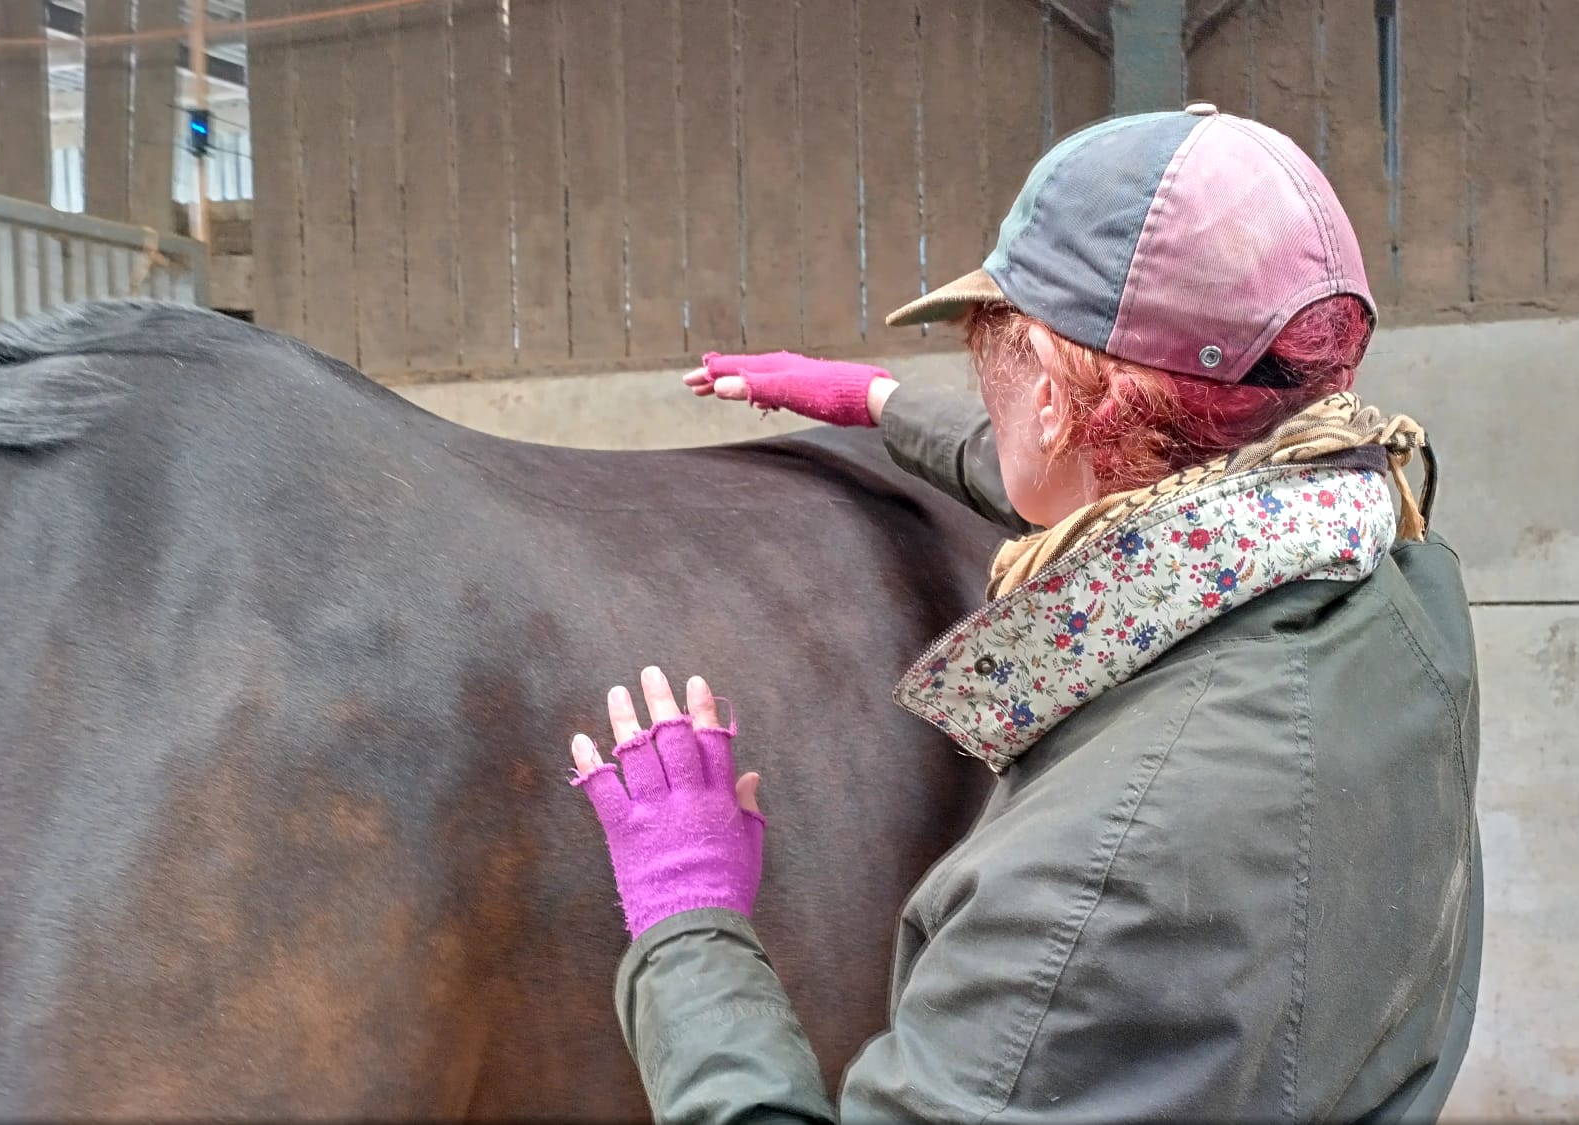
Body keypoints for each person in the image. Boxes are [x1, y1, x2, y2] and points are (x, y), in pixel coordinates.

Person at [566, 105, 1482, 1122]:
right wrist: (879, 405)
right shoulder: (1394, 566)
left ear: (1052, 399)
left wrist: (687, 921)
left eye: (987, 359)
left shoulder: (1091, 887)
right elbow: (1146, 512)